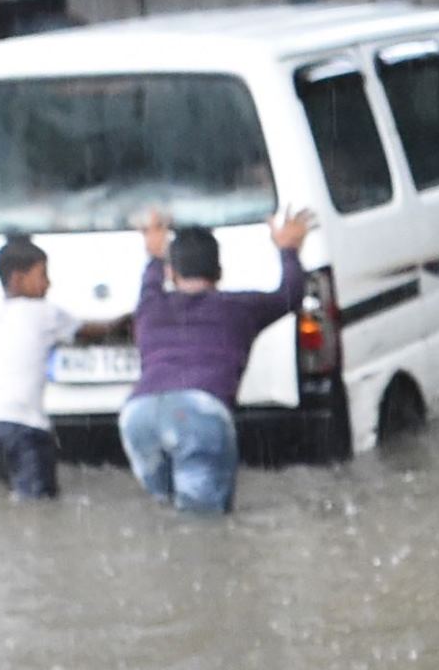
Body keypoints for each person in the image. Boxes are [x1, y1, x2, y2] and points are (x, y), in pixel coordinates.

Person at [120, 206, 314, 516]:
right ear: (219, 272)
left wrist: (154, 254)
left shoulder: (150, 307)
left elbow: (150, 283)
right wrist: (288, 250)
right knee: (205, 525)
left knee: (165, 515)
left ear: (171, 273)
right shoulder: (240, 307)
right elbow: (290, 295)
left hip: (138, 414)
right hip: (198, 411)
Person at [0, 236, 116, 502]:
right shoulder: (45, 313)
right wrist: (132, 319)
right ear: (17, 279)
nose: (48, 284)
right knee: (39, 507)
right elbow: (97, 331)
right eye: (42, 275)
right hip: (21, 429)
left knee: (13, 495)